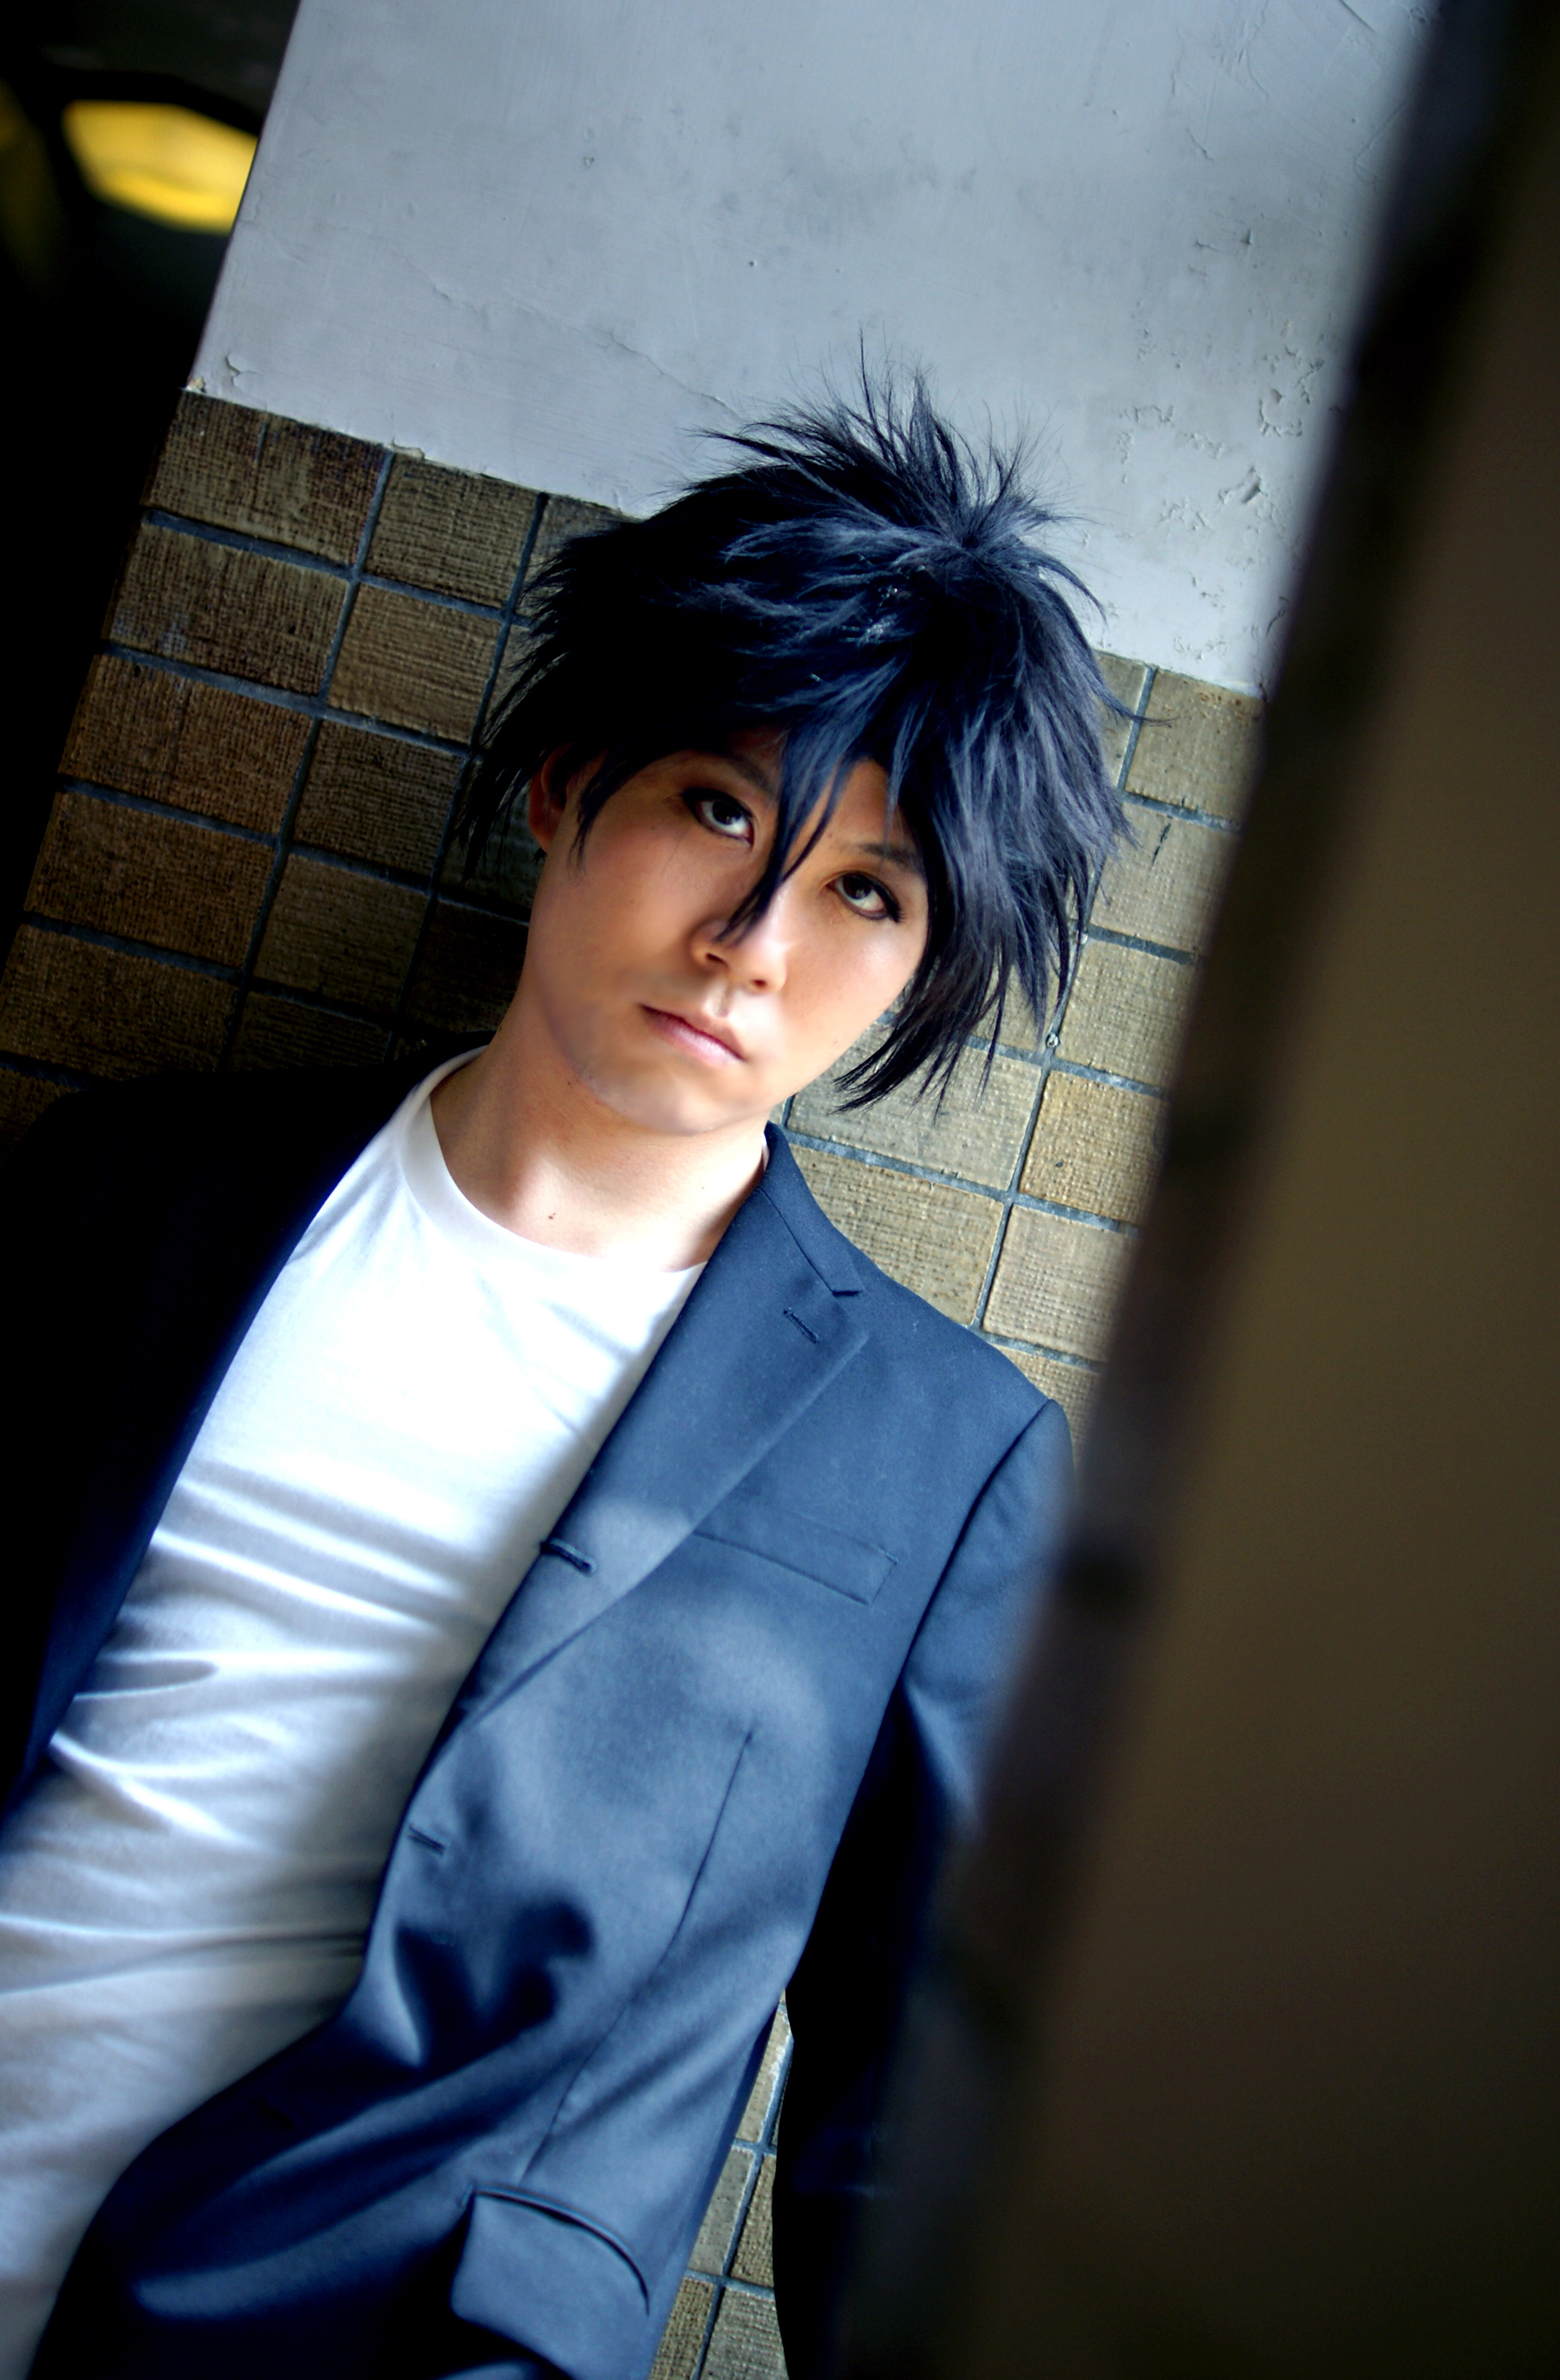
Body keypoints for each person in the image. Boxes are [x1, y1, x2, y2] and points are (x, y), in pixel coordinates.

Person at [0, 377, 1126, 2380]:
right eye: (720, 809)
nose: (752, 941)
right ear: (565, 783)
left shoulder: (944, 1467)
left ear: (923, 973)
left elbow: (903, 2139)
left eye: (868, 892)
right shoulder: (132, 1193)